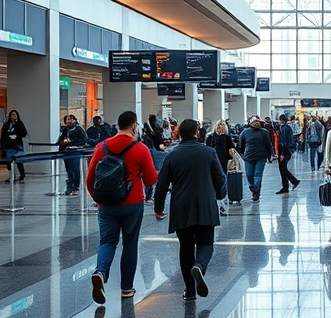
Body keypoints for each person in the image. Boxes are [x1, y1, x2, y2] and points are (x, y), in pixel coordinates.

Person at [86, 111, 158, 304]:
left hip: (106, 205)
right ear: (134, 126)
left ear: (118, 126)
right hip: (132, 203)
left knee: (107, 241)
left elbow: (89, 179)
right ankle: (126, 288)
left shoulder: (102, 147)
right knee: (130, 243)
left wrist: (99, 199)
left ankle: (100, 272)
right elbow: (151, 179)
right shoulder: (140, 148)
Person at [153, 119, 227, 301]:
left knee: (185, 248)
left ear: (179, 134)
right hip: (205, 204)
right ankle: (200, 267)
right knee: (206, 243)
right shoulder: (208, 152)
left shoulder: (172, 155)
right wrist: (218, 195)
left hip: (181, 206)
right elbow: (220, 178)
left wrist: (159, 207)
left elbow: (161, 185)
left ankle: (190, 291)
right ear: (196, 133)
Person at [239, 116, 274, 202]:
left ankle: (256, 192)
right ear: (250, 123)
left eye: (257, 122)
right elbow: (241, 144)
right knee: (249, 175)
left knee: (258, 175)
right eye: (254, 122)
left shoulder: (264, 132)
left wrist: (271, 155)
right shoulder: (245, 133)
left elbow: (268, 144)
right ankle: (254, 189)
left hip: (261, 157)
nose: (256, 123)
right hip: (248, 157)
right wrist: (242, 153)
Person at [209, 120, 236, 213]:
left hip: (217, 162)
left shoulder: (211, 137)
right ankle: (221, 200)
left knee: (218, 181)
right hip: (221, 162)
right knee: (222, 181)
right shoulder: (226, 138)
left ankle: (219, 201)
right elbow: (231, 151)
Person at [58, 114, 88, 196]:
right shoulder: (65, 130)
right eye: (68, 120)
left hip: (75, 151)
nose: (69, 121)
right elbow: (60, 140)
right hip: (66, 151)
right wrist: (63, 142)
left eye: (71, 119)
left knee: (75, 169)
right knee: (69, 170)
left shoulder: (79, 129)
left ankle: (76, 187)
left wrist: (71, 141)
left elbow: (83, 140)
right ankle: (69, 187)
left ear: (75, 120)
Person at [275, 114, 301, 195]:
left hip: (285, 151)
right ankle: (285, 187)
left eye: (279, 119)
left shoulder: (285, 128)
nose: (278, 121)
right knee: (282, 169)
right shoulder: (283, 128)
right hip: (285, 150)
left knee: (283, 169)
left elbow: (284, 142)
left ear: (282, 120)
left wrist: (282, 153)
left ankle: (294, 181)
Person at [0, 109, 28, 183]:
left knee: (19, 162)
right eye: (12, 115)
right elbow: (3, 135)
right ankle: (12, 175)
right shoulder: (6, 125)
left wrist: (18, 123)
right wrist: (3, 145)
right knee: (9, 162)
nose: (13, 116)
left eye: (15, 115)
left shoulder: (19, 124)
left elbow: (24, 133)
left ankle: (22, 176)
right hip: (9, 146)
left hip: (17, 146)